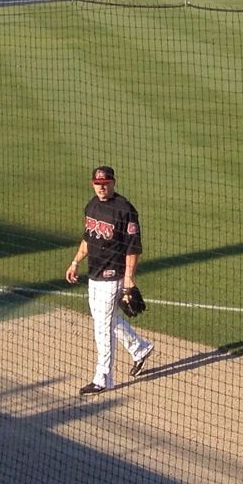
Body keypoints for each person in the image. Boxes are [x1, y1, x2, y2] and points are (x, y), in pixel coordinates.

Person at [63, 164, 154, 393]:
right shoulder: (91, 205)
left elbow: (133, 248)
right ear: (92, 183)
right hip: (93, 274)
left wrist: (128, 280)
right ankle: (139, 348)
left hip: (113, 277)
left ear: (113, 182)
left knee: (102, 327)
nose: (101, 188)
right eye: (98, 184)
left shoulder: (125, 210)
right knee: (105, 319)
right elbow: (88, 238)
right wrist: (75, 262)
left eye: (105, 184)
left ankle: (102, 379)